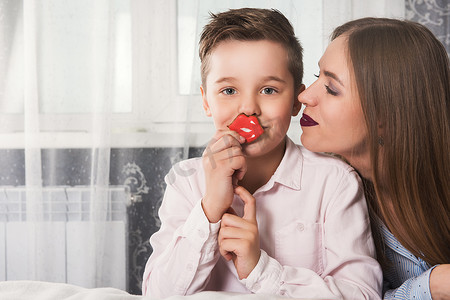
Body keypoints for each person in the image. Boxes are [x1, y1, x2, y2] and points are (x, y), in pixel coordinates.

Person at [142, 8, 382, 299]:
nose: (248, 108)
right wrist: (210, 209)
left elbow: (362, 293)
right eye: (229, 91)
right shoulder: (186, 182)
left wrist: (259, 268)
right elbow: (157, 294)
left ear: (296, 101)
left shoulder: (335, 181)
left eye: (268, 90)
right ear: (206, 102)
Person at [298, 17, 450, 299]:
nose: (304, 95)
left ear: (385, 116)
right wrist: (433, 285)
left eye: (331, 88)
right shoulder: (325, 196)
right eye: (319, 78)